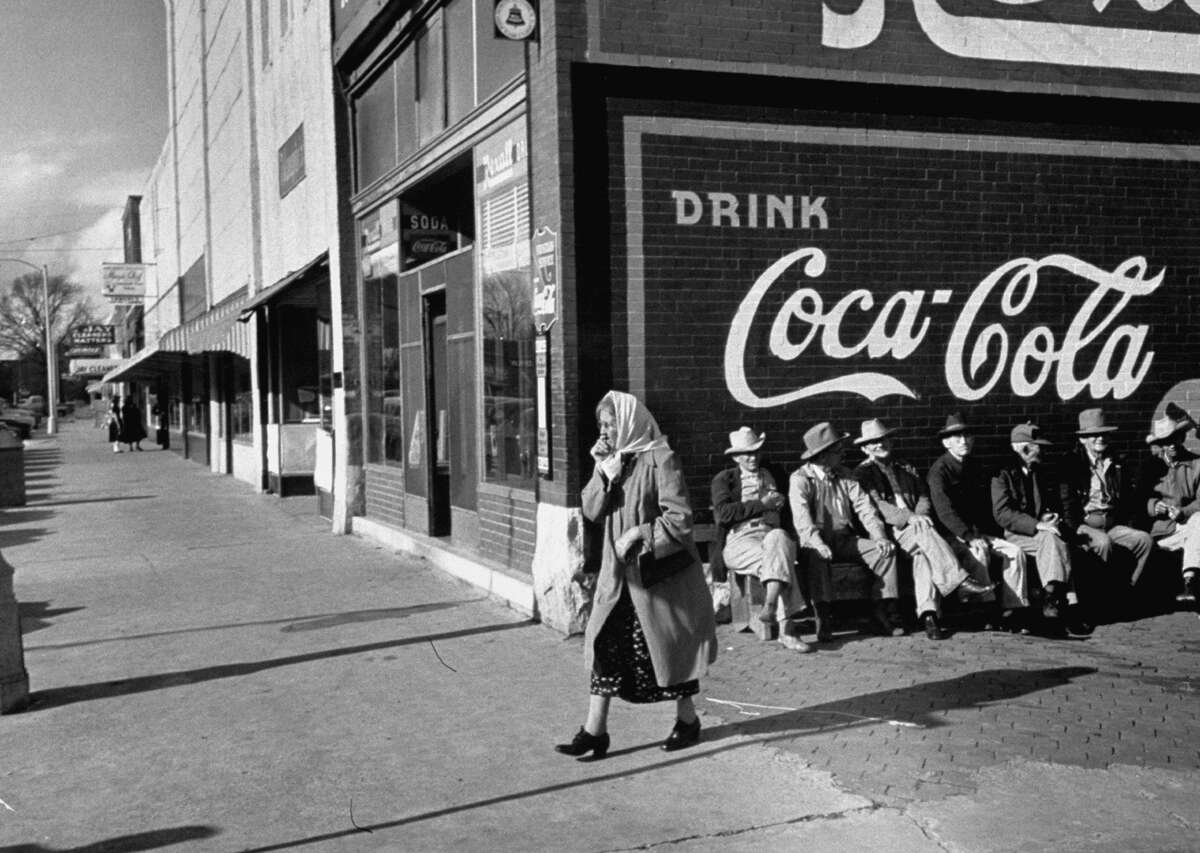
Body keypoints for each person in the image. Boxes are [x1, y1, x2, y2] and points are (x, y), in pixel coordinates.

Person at [556, 390, 717, 760]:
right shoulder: (615, 461)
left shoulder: (661, 458)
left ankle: (687, 720)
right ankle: (594, 731)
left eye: (611, 424)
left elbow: (680, 520)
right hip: (617, 579)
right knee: (605, 647)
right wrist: (601, 470)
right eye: (601, 425)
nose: (605, 431)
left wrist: (639, 534)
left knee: (667, 651)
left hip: (655, 579)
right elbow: (591, 511)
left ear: (630, 422)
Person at [851, 418, 995, 640]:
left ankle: (929, 616)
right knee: (924, 532)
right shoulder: (863, 473)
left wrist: (921, 515)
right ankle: (959, 581)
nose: (880, 444)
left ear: (891, 441)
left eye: (884, 439)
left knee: (923, 557)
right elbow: (877, 506)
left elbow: (923, 495)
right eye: (873, 442)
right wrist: (910, 518)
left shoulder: (905, 467)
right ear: (864, 448)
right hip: (891, 530)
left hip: (917, 529)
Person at [788, 421, 901, 641]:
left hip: (844, 538)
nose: (843, 453)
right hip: (815, 540)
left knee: (885, 553)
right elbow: (802, 519)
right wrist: (818, 543)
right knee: (817, 557)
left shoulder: (846, 475)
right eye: (837, 450)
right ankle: (823, 617)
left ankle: (881, 612)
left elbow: (865, 508)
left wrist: (879, 537)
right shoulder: (800, 479)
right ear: (822, 456)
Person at [710, 426, 812, 652]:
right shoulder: (725, 479)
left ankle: (770, 604)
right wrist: (762, 505)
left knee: (779, 542)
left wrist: (783, 502)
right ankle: (787, 630)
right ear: (735, 457)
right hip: (741, 540)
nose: (752, 457)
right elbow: (723, 514)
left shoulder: (775, 473)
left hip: (773, 535)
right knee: (782, 561)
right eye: (746, 454)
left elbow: (792, 506)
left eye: (756, 452)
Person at [927, 413, 1029, 630]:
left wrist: (985, 532)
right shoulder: (939, 471)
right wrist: (969, 536)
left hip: (976, 532)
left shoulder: (974, 466)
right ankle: (984, 609)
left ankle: (1015, 608)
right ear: (946, 443)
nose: (963, 441)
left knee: (1015, 552)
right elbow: (945, 512)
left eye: (967, 436)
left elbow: (982, 504)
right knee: (978, 553)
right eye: (956, 438)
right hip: (951, 535)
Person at [1060, 408, 1153, 614]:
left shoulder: (1117, 462)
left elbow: (1127, 498)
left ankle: (1125, 594)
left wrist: (1128, 523)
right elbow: (1067, 502)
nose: (1100, 438)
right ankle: (1096, 603)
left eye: (1104, 434)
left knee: (1144, 540)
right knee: (1103, 543)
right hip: (1085, 524)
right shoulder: (1072, 463)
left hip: (1112, 522)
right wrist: (1073, 531)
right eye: (1094, 435)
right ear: (1083, 439)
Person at [991, 421, 1075, 632]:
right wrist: (1038, 525)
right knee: (1052, 540)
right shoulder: (1002, 474)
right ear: (1023, 448)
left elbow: (1045, 502)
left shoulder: (1038, 470)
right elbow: (1003, 514)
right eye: (1039, 447)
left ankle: (1052, 596)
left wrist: (1049, 516)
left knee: (1053, 538)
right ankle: (1056, 599)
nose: (1043, 452)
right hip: (1014, 533)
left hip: (1038, 533)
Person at [1140, 409, 1200, 604]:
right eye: (1167, 441)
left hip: (1188, 528)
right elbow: (1136, 500)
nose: (1172, 444)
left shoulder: (1196, 464)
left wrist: (1184, 512)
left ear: (1182, 438)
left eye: (1176, 438)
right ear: (1161, 444)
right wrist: (1153, 505)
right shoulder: (1149, 467)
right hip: (1161, 532)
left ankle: (1190, 581)